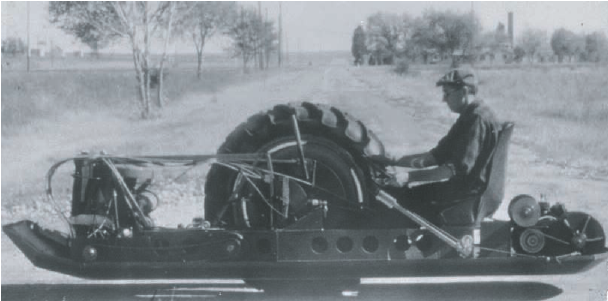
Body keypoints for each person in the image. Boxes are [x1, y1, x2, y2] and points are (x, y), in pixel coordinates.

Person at [371, 68, 502, 221]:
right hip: (465, 189)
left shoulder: (476, 120)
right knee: (405, 194)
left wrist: (407, 177)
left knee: (400, 200)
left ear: (464, 91)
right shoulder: (470, 115)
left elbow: (452, 170)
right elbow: (435, 157)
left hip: (467, 193)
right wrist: (393, 160)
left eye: (447, 93)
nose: (443, 100)